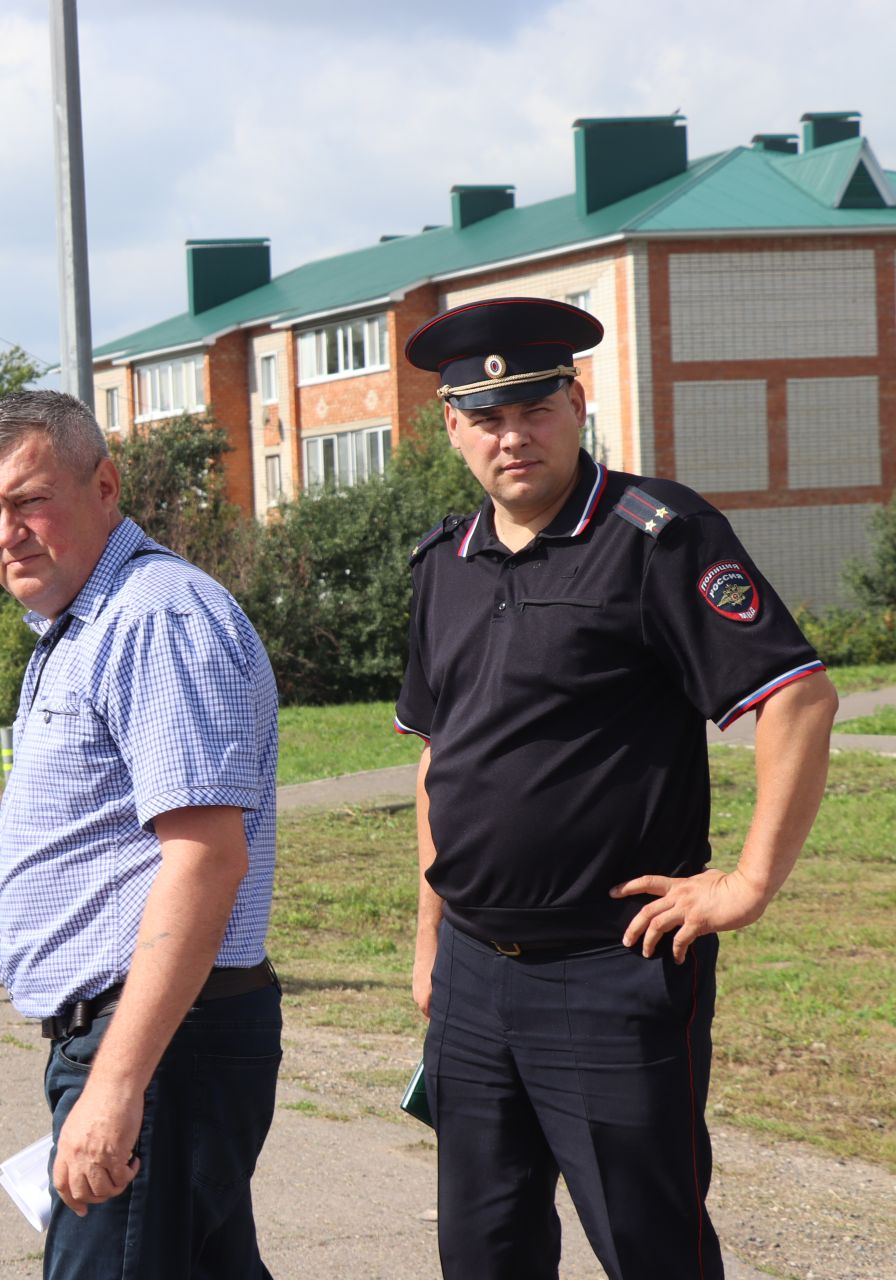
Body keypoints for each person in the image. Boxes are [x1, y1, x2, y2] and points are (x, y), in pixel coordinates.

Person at [397, 297, 839, 1280]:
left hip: (611, 970)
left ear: (577, 398)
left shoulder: (659, 534)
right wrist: (429, 938)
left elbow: (798, 698)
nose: (514, 434)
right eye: (487, 414)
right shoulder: (444, 565)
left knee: (652, 1249)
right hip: (472, 974)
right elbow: (441, 756)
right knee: (483, 1250)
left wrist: (745, 883)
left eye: (535, 405)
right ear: (453, 427)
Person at [0, 390, 284, 1279]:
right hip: (143, 1044)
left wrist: (117, 1082)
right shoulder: (82, 625)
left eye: (30, 500)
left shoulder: (155, 618)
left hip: (158, 1046)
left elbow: (206, 857)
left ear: (104, 485)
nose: (8, 531)